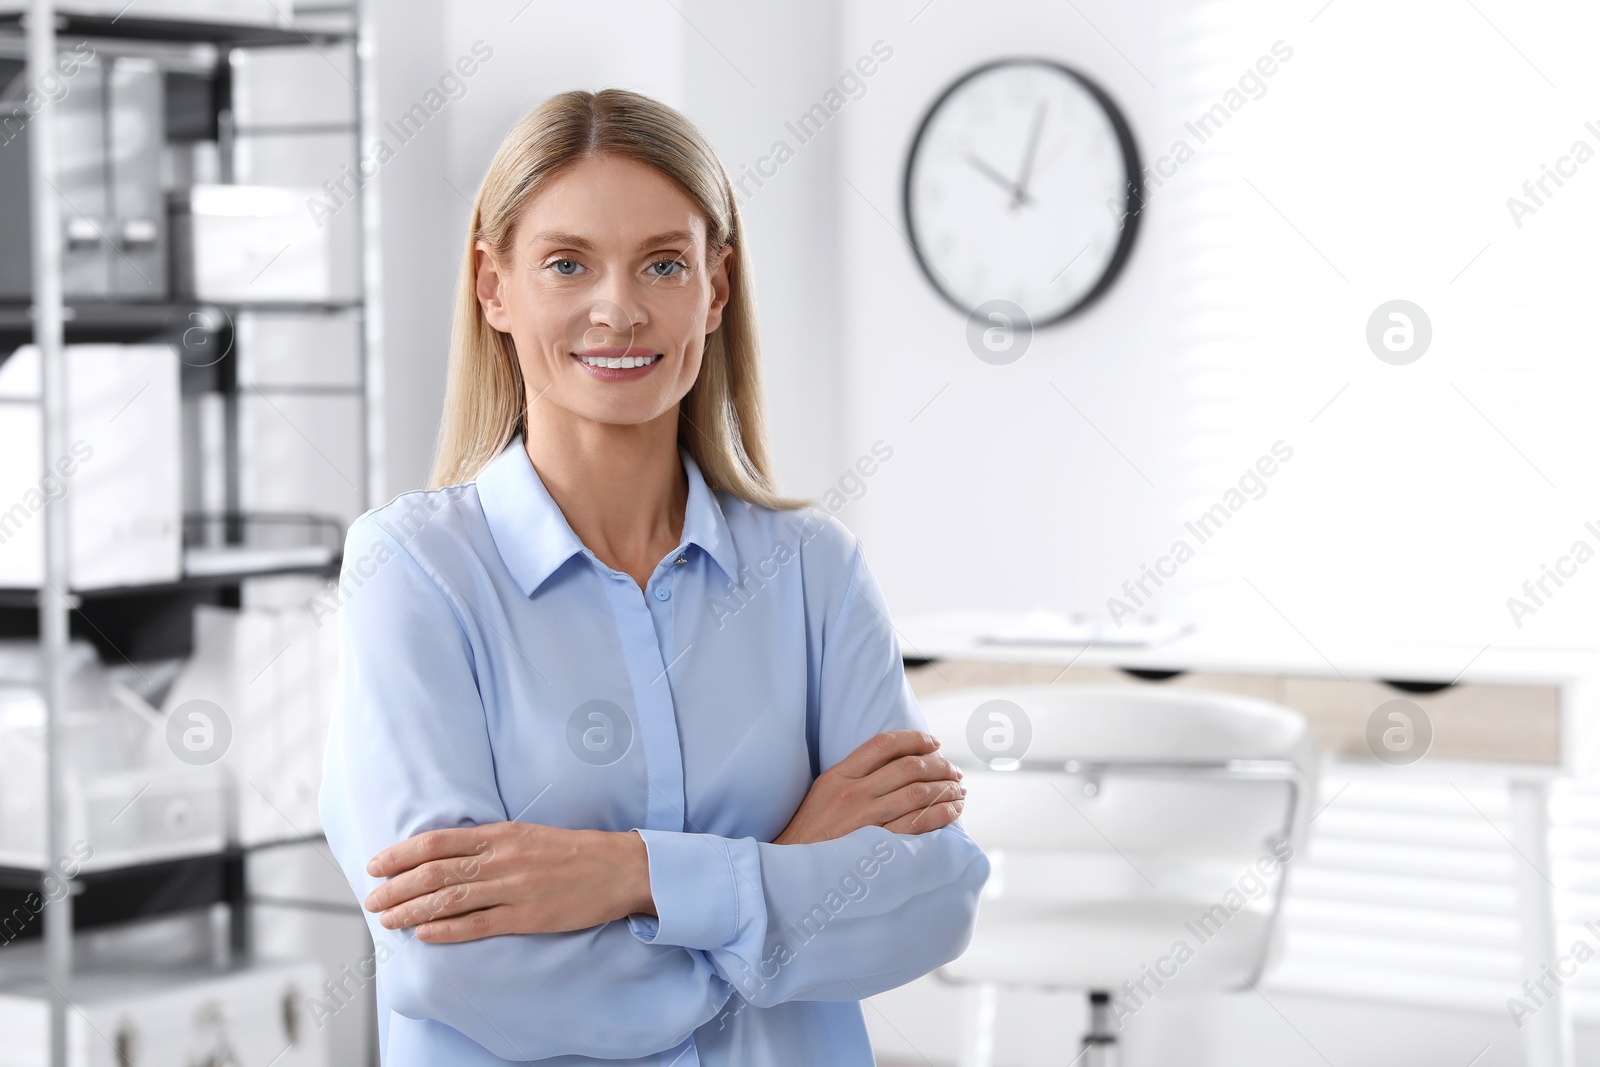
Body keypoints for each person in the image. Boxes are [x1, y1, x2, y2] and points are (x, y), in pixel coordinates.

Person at [319, 87, 990, 1066]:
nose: (619, 308)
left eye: (664, 263)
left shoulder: (813, 574)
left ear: (715, 289)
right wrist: (783, 877)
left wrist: (625, 874)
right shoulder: (414, 571)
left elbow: (927, 899)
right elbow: (446, 961)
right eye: (566, 263)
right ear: (493, 285)